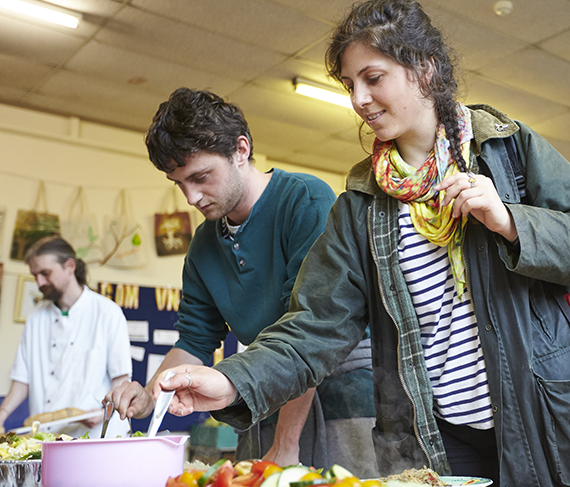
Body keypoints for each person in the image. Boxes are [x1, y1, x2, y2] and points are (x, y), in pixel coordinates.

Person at [153, 0, 570, 486]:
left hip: (548, 427)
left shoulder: (505, 148)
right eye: (349, 85)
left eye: (372, 78)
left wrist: (509, 220)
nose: (358, 99)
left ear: (424, 69)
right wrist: (232, 381)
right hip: (439, 441)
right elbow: (315, 326)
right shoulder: (361, 206)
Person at [104, 88, 376, 473]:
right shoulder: (202, 245)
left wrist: (286, 444)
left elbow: (310, 334)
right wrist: (152, 395)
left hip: (341, 385)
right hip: (260, 387)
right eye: (179, 183)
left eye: (200, 177)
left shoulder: (305, 201)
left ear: (241, 150)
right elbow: (194, 341)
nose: (191, 197)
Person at [0, 236, 131, 437]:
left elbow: (120, 379)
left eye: (45, 273)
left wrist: (105, 410)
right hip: (46, 435)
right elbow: (21, 380)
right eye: (35, 276)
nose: (40, 282)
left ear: (69, 266)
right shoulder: (36, 318)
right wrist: (2, 413)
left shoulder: (107, 312)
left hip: (95, 435)